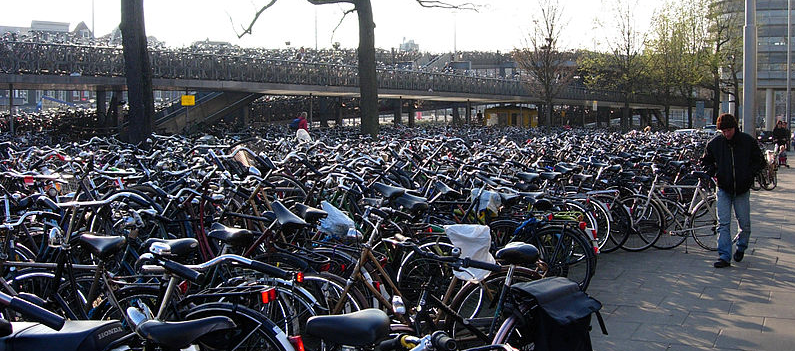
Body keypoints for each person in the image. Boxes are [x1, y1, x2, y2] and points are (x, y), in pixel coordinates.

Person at [700, 113, 766, 268]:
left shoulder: (747, 141)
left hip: (742, 189)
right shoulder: (715, 144)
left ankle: (741, 246)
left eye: (729, 130)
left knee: (744, 224)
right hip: (723, 188)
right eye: (723, 131)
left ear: (735, 128)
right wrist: (713, 172)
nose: (726, 134)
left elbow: (759, 161)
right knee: (723, 223)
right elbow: (706, 161)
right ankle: (724, 256)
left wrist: (749, 174)